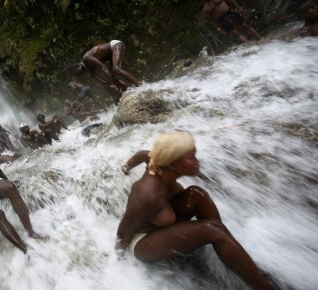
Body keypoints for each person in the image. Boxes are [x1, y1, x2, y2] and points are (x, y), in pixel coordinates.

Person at [115, 132, 275, 290]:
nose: (197, 161)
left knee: (197, 194)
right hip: (143, 243)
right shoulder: (147, 194)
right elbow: (123, 232)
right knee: (213, 230)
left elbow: (141, 155)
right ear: (172, 163)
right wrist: (117, 264)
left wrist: (126, 167)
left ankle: (228, 253)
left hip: (163, 223)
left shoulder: (156, 159)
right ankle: (262, 286)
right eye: (192, 158)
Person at [71, 40, 140, 103]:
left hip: (115, 45)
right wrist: (115, 97)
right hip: (111, 56)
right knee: (113, 78)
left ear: (78, 66)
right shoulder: (91, 73)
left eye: (77, 72)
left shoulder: (87, 57)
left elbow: (104, 68)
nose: (79, 74)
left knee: (116, 69)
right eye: (77, 75)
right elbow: (104, 83)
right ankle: (127, 92)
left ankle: (140, 85)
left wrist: (112, 85)